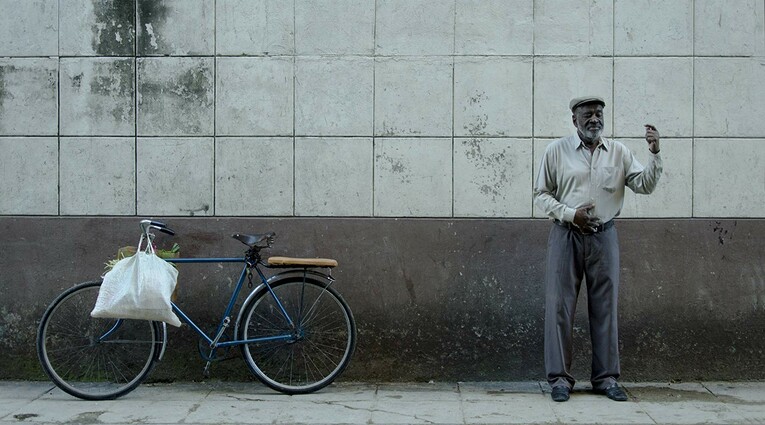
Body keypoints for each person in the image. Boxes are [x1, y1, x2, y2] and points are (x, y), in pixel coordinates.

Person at [533, 96, 663, 402]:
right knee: (560, 308)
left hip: (604, 237)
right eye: (588, 114)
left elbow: (644, 185)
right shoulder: (556, 151)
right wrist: (570, 214)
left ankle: (605, 378)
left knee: (605, 308)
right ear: (574, 120)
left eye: (599, 114)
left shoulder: (618, 152)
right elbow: (541, 194)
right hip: (566, 235)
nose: (594, 119)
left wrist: (655, 153)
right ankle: (560, 380)